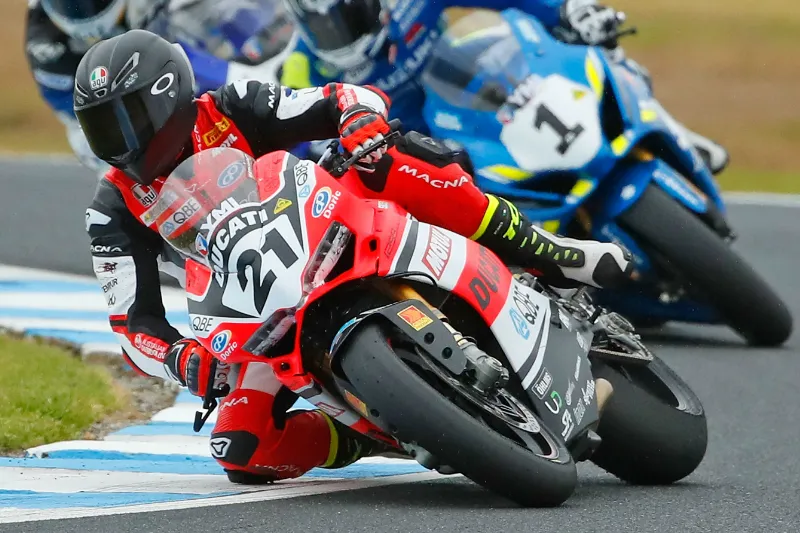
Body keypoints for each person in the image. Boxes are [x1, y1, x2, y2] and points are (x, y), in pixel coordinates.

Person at [78, 30, 631, 484]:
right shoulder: (112, 209)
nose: (121, 140)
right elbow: (133, 323)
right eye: (103, 126)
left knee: (391, 159)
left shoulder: (233, 105)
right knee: (240, 448)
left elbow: (340, 98)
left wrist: (358, 121)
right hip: (249, 298)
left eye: (128, 117)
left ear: (167, 98)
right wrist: (180, 358)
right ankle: (368, 432)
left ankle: (547, 252)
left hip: (323, 213)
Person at [280, 0, 729, 174]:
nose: (337, 32)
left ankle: (674, 132)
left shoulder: (405, 4)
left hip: (482, 92)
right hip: (425, 149)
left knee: (592, 46)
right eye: (323, 25)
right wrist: (319, 156)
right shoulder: (301, 65)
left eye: (344, 16)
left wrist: (567, 11)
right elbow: (295, 126)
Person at [25, 0, 295, 175]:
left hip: (187, 55)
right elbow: (75, 117)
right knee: (94, 146)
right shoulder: (46, 48)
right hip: (130, 111)